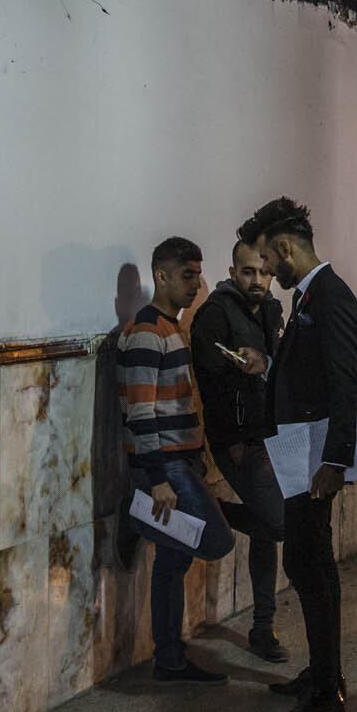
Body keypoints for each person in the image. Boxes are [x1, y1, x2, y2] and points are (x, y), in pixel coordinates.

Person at [250, 196, 357, 712]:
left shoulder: (331, 296)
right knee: (305, 562)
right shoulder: (309, 297)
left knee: (310, 564)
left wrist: (335, 460)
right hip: (303, 449)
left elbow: (347, 383)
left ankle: (327, 686)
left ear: (283, 249)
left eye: (268, 259)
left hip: (318, 455)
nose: (268, 270)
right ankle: (322, 671)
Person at [120, 236, 237, 685]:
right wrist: (157, 480)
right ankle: (137, 518)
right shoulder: (149, 331)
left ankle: (168, 657)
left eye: (198, 273)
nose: (197, 283)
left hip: (180, 462)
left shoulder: (171, 329)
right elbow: (141, 411)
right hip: (164, 467)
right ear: (160, 276)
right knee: (216, 541)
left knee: (173, 561)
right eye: (187, 275)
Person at [189, 236, 290, 662]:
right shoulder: (214, 315)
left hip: (274, 434)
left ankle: (263, 626)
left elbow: (280, 363)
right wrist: (229, 442)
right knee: (281, 524)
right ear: (233, 273)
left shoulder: (271, 310)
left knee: (269, 532)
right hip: (240, 441)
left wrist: (267, 362)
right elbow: (215, 383)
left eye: (264, 272)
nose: (258, 280)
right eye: (248, 271)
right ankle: (211, 510)